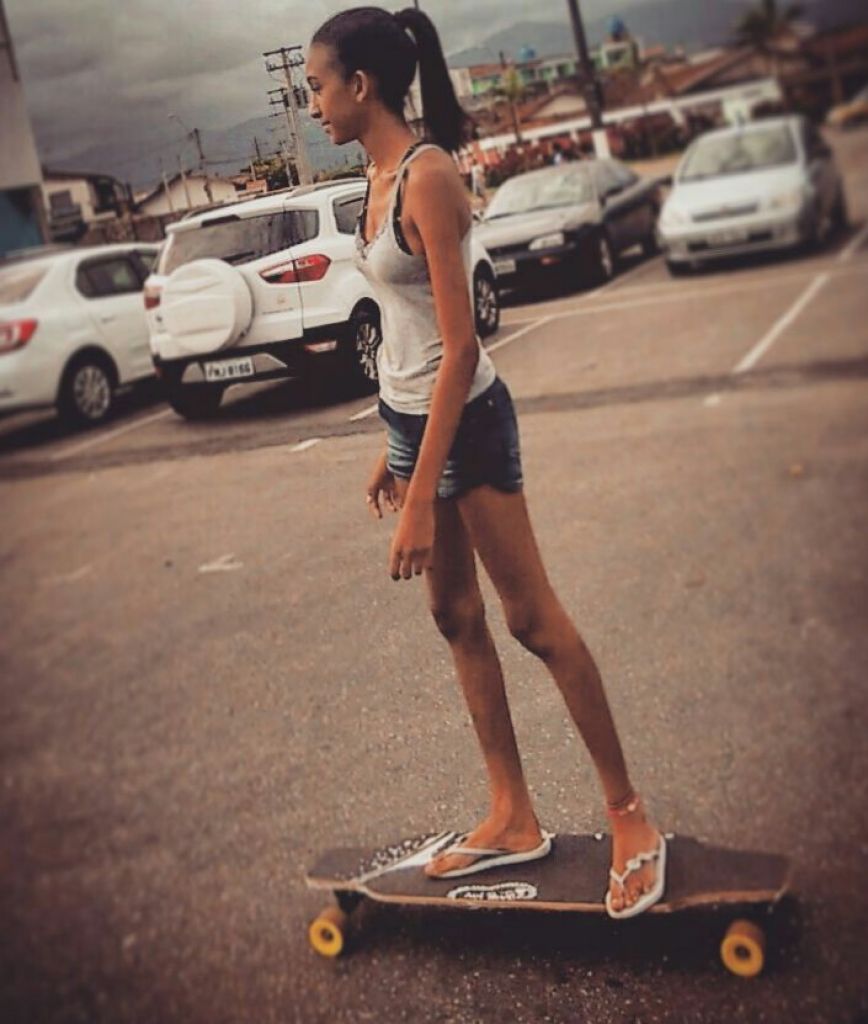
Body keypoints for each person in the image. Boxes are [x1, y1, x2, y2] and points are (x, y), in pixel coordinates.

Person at [305, 5, 666, 918]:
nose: (310, 105)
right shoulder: (373, 171)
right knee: (453, 615)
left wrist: (423, 495)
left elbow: (461, 348)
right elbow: (407, 330)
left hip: (465, 421)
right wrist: (391, 452)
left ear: (361, 85)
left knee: (532, 619)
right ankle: (512, 814)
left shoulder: (427, 175)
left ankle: (630, 817)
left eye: (316, 86)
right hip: (413, 418)